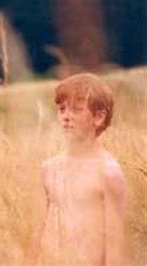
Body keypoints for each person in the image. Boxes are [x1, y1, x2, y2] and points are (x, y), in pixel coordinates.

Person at [31, 73, 126, 265]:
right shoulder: (49, 169)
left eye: (76, 109)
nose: (66, 117)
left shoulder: (108, 173)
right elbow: (37, 233)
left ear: (99, 117)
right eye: (62, 109)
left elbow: (114, 246)